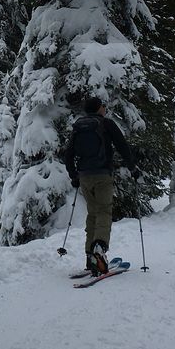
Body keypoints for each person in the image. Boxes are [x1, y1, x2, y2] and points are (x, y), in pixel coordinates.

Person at [63, 96, 137, 275]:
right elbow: (122, 146)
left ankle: (90, 258)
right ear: (98, 109)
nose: (105, 108)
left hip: (84, 176)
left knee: (93, 213)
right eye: (103, 106)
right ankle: (99, 247)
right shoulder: (107, 124)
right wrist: (132, 167)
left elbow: (68, 154)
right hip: (103, 174)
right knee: (104, 211)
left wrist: (74, 176)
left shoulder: (78, 126)